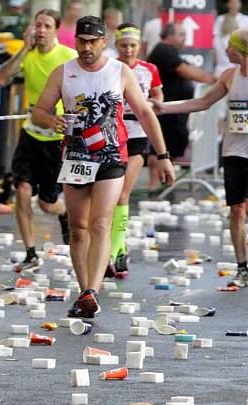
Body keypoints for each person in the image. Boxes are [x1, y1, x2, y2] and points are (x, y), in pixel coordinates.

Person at [32, 16, 175, 318]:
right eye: (81, 41)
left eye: (92, 42)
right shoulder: (63, 73)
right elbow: (40, 112)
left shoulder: (119, 71)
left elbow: (146, 114)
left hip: (111, 156)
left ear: (103, 42)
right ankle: (84, 290)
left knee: (100, 223)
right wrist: (51, 120)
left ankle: (92, 290)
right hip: (75, 157)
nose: (86, 47)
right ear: (76, 42)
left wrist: (163, 156)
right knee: (78, 227)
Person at [153, 29, 248, 287]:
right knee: (236, 211)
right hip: (232, 151)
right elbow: (203, 102)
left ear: (243, 49)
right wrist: (164, 108)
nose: (226, 51)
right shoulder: (229, 76)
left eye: (230, 47)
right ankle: (242, 266)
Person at [0, 9, 75, 272]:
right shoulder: (26, 54)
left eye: (46, 26)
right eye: (37, 25)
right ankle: (30, 252)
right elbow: (2, 78)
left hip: (57, 137)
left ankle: (63, 213)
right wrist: (23, 49)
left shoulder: (67, 56)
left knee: (46, 203)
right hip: (30, 134)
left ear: (55, 30)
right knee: (22, 190)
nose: (40, 30)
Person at [107, 23, 163, 279]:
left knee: (122, 194)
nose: (128, 50)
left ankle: (119, 250)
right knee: (108, 197)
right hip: (112, 136)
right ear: (117, 45)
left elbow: (159, 99)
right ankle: (107, 247)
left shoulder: (149, 69)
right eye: (123, 45)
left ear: (139, 46)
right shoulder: (110, 67)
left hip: (138, 136)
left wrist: (151, 104)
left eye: (132, 45)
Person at [147, 22, 216, 160]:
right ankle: (155, 181)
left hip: (173, 109)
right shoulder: (163, 50)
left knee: (173, 144)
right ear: (169, 35)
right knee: (161, 148)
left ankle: (164, 179)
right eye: (181, 34)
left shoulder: (170, 51)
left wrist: (211, 77)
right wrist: (213, 80)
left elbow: (188, 67)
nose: (185, 37)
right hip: (166, 108)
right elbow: (185, 70)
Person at [213, 0, 248, 75]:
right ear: (228, 4)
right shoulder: (220, 19)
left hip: (239, 64)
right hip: (223, 64)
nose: (234, 5)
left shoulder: (245, 19)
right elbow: (215, 41)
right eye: (232, 2)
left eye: (237, 2)